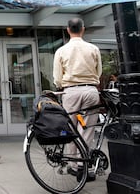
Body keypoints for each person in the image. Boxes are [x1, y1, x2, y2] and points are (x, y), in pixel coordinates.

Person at [53, 18, 101, 182]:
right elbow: (99, 72)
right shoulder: (93, 48)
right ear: (83, 29)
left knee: (70, 128)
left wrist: (60, 85)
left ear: (68, 30)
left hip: (70, 91)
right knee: (87, 128)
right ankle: (83, 165)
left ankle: (73, 164)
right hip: (90, 89)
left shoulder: (61, 51)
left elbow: (57, 77)